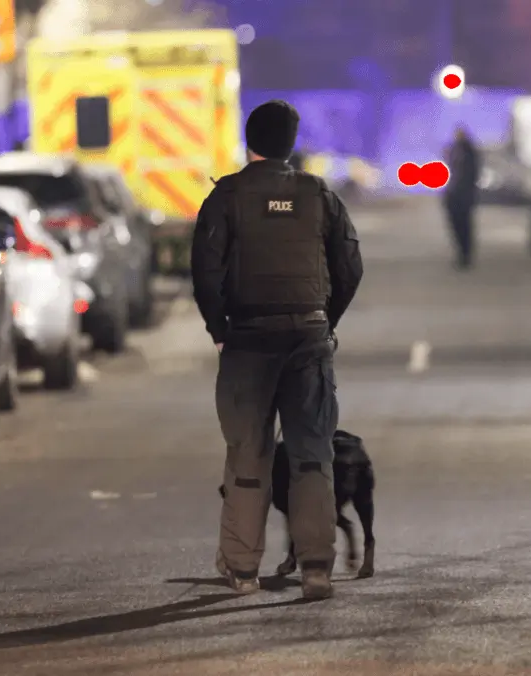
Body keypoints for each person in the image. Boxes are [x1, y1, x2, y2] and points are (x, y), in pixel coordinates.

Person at [190, 100, 364, 600]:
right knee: (312, 456)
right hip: (308, 342)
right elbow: (350, 267)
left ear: (250, 142)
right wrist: (325, 320)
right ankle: (316, 567)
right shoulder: (319, 195)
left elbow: (204, 271)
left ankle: (243, 569)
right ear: (291, 144)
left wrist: (218, 328)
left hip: (247, 343)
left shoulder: (227, 197)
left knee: (248, 455)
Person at [444, 126, 480, 268]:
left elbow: (471, 174)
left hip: (462, 195)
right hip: (456, 194)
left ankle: (464, 255)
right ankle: (463, 253)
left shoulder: (467, 152)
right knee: (458, 226)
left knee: (463, 226)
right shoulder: (456, 150)